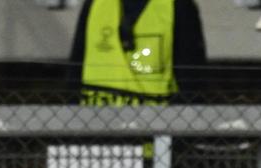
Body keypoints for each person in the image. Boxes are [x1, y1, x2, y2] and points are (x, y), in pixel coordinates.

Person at [70, 0, 207, 105]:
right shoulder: (96, 4)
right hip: (98, 130)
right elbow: (75, 72)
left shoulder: (179, 6)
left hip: (155, 133)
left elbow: (192, 81)